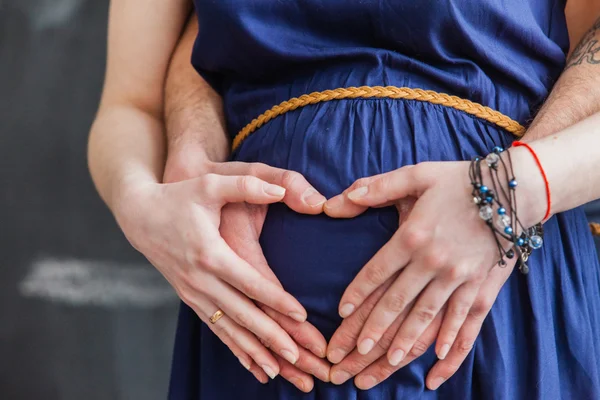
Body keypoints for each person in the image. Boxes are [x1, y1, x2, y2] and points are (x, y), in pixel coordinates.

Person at [88, 1, 600, 398]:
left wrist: (513, 191)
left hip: (496, 296)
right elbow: (131, 102)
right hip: (253, 338)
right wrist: (141, 204)